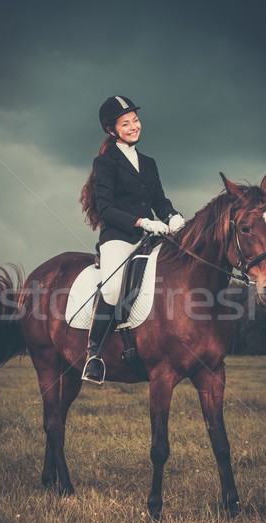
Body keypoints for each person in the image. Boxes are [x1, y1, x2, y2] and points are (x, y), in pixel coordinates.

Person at [79, 95, 185, 385]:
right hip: (119, 236)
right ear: (112, 130)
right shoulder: (105, 162)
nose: (133, 126)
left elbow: (160, 201)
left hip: (151, 236)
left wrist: (173, 216)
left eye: (135, 120)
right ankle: (94, 355)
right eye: (125, 123)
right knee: (113, 288)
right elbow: (105, 209)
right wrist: (141, 221)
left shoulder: (149, 163)